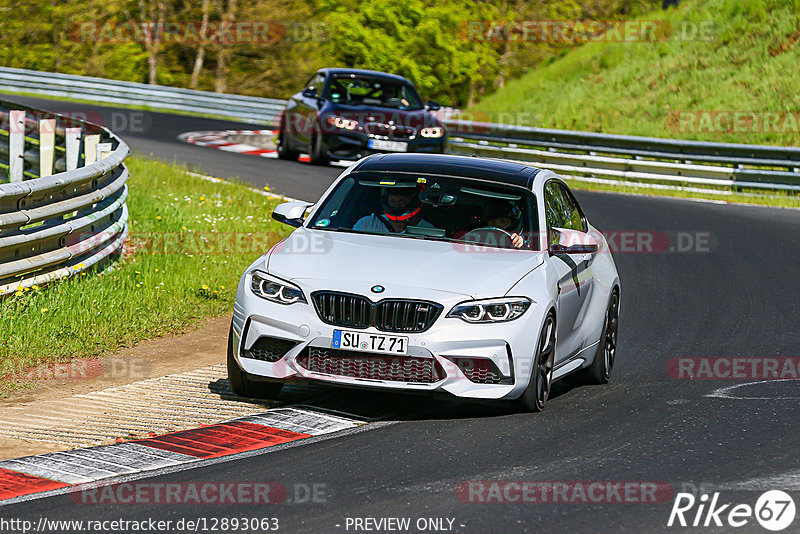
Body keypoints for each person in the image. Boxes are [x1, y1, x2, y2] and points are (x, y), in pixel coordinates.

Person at [354, 187, 433, 234]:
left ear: (413, 202)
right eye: (393, 201)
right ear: (386, 201)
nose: (397, 205)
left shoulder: (428, 230)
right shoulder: (367, 223)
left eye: (402, 202)